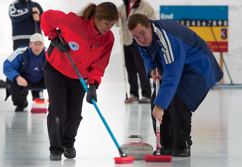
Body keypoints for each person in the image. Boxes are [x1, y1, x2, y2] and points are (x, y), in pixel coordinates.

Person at [127, 14, 223, 157]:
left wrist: (160, 106)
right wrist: (151, 68)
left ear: (149, 26)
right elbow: (145, 52)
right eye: (136, 37)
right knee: (156, 100)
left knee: (178, 100)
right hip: (179, 64)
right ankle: (167, 145)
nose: (140, 40)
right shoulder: (143, 39)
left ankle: (182, 145)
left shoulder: (167, 39)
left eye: (142, 34)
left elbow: (172, 77)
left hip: (197, 66)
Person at [41, 2, 118, 161]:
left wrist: (93, 85)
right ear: (96, 17)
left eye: (112, 25)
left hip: (78, 76)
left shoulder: (108, 39)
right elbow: (46, 16)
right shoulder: (74, 22)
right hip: (56, 68)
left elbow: (99, 65)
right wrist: (53, 37)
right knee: (58, 110)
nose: (108, 28)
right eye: (106, 23)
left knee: (75, 114)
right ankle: (55, 148)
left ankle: (68, 143)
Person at [115, 0, 157, 103]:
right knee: (130, 69)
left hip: (138, 41)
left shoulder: (145, 5)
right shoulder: (123, 6)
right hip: (126, 42)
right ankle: (133, 94)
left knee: (141, 68)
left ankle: (146, 94)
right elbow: (117, 24)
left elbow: (154, 21)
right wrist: (117, 18)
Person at [8, 0, 44, 98]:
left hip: (36, 42)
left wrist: (39, 18)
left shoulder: (36, 5)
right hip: (20, 41)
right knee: (21, 67)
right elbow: (14, 16)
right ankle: (21, 97)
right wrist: (30, 11)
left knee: (38, 67)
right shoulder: (15, 5)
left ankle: (37, 95)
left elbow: (45, 22)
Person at [3, 33, 46, 112]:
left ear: (43, 45)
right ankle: (21, 103)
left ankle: (56, 105)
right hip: (24, 81)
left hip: (43, 81)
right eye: (35, 44)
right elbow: (7, 65)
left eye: (40, 44)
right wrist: (17, 77)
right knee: (10, 81)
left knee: (59, 81)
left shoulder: (49, 54)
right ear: (30, 44)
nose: (37, 47)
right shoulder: (21, 52)